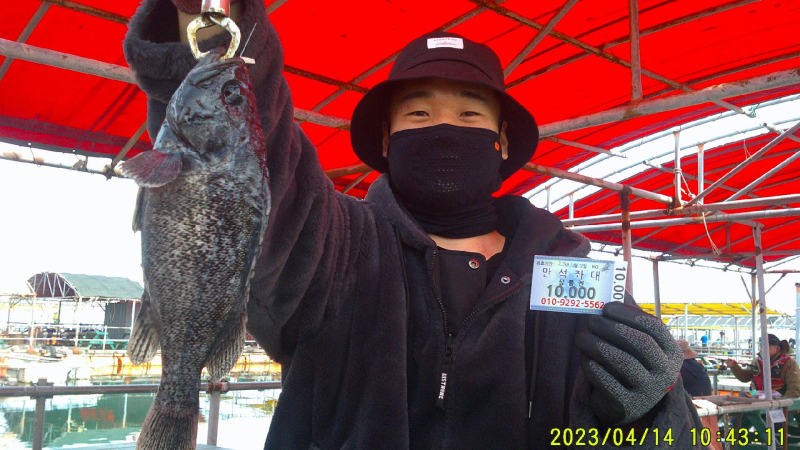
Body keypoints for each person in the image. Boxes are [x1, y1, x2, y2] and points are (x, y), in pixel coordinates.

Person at [124, 0, 702, 447]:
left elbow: (635, 436)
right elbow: (259, 148)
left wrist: (658, 407)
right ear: (386, 139)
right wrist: (210, 18)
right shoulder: (334, 244)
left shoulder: (572, 275)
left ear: (501, 142)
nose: (444, 129)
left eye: (470, 113)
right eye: (419, 113)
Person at [726, 334, 800, 399]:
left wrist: (785, 405)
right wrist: (734, 366)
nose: (762, 349)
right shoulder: (756, 361)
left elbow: (794, 388)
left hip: (779, 404)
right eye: (761, 346)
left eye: (767, 347)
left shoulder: (789, 363)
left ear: (777, 349)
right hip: (757, 401)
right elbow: (745, 377)